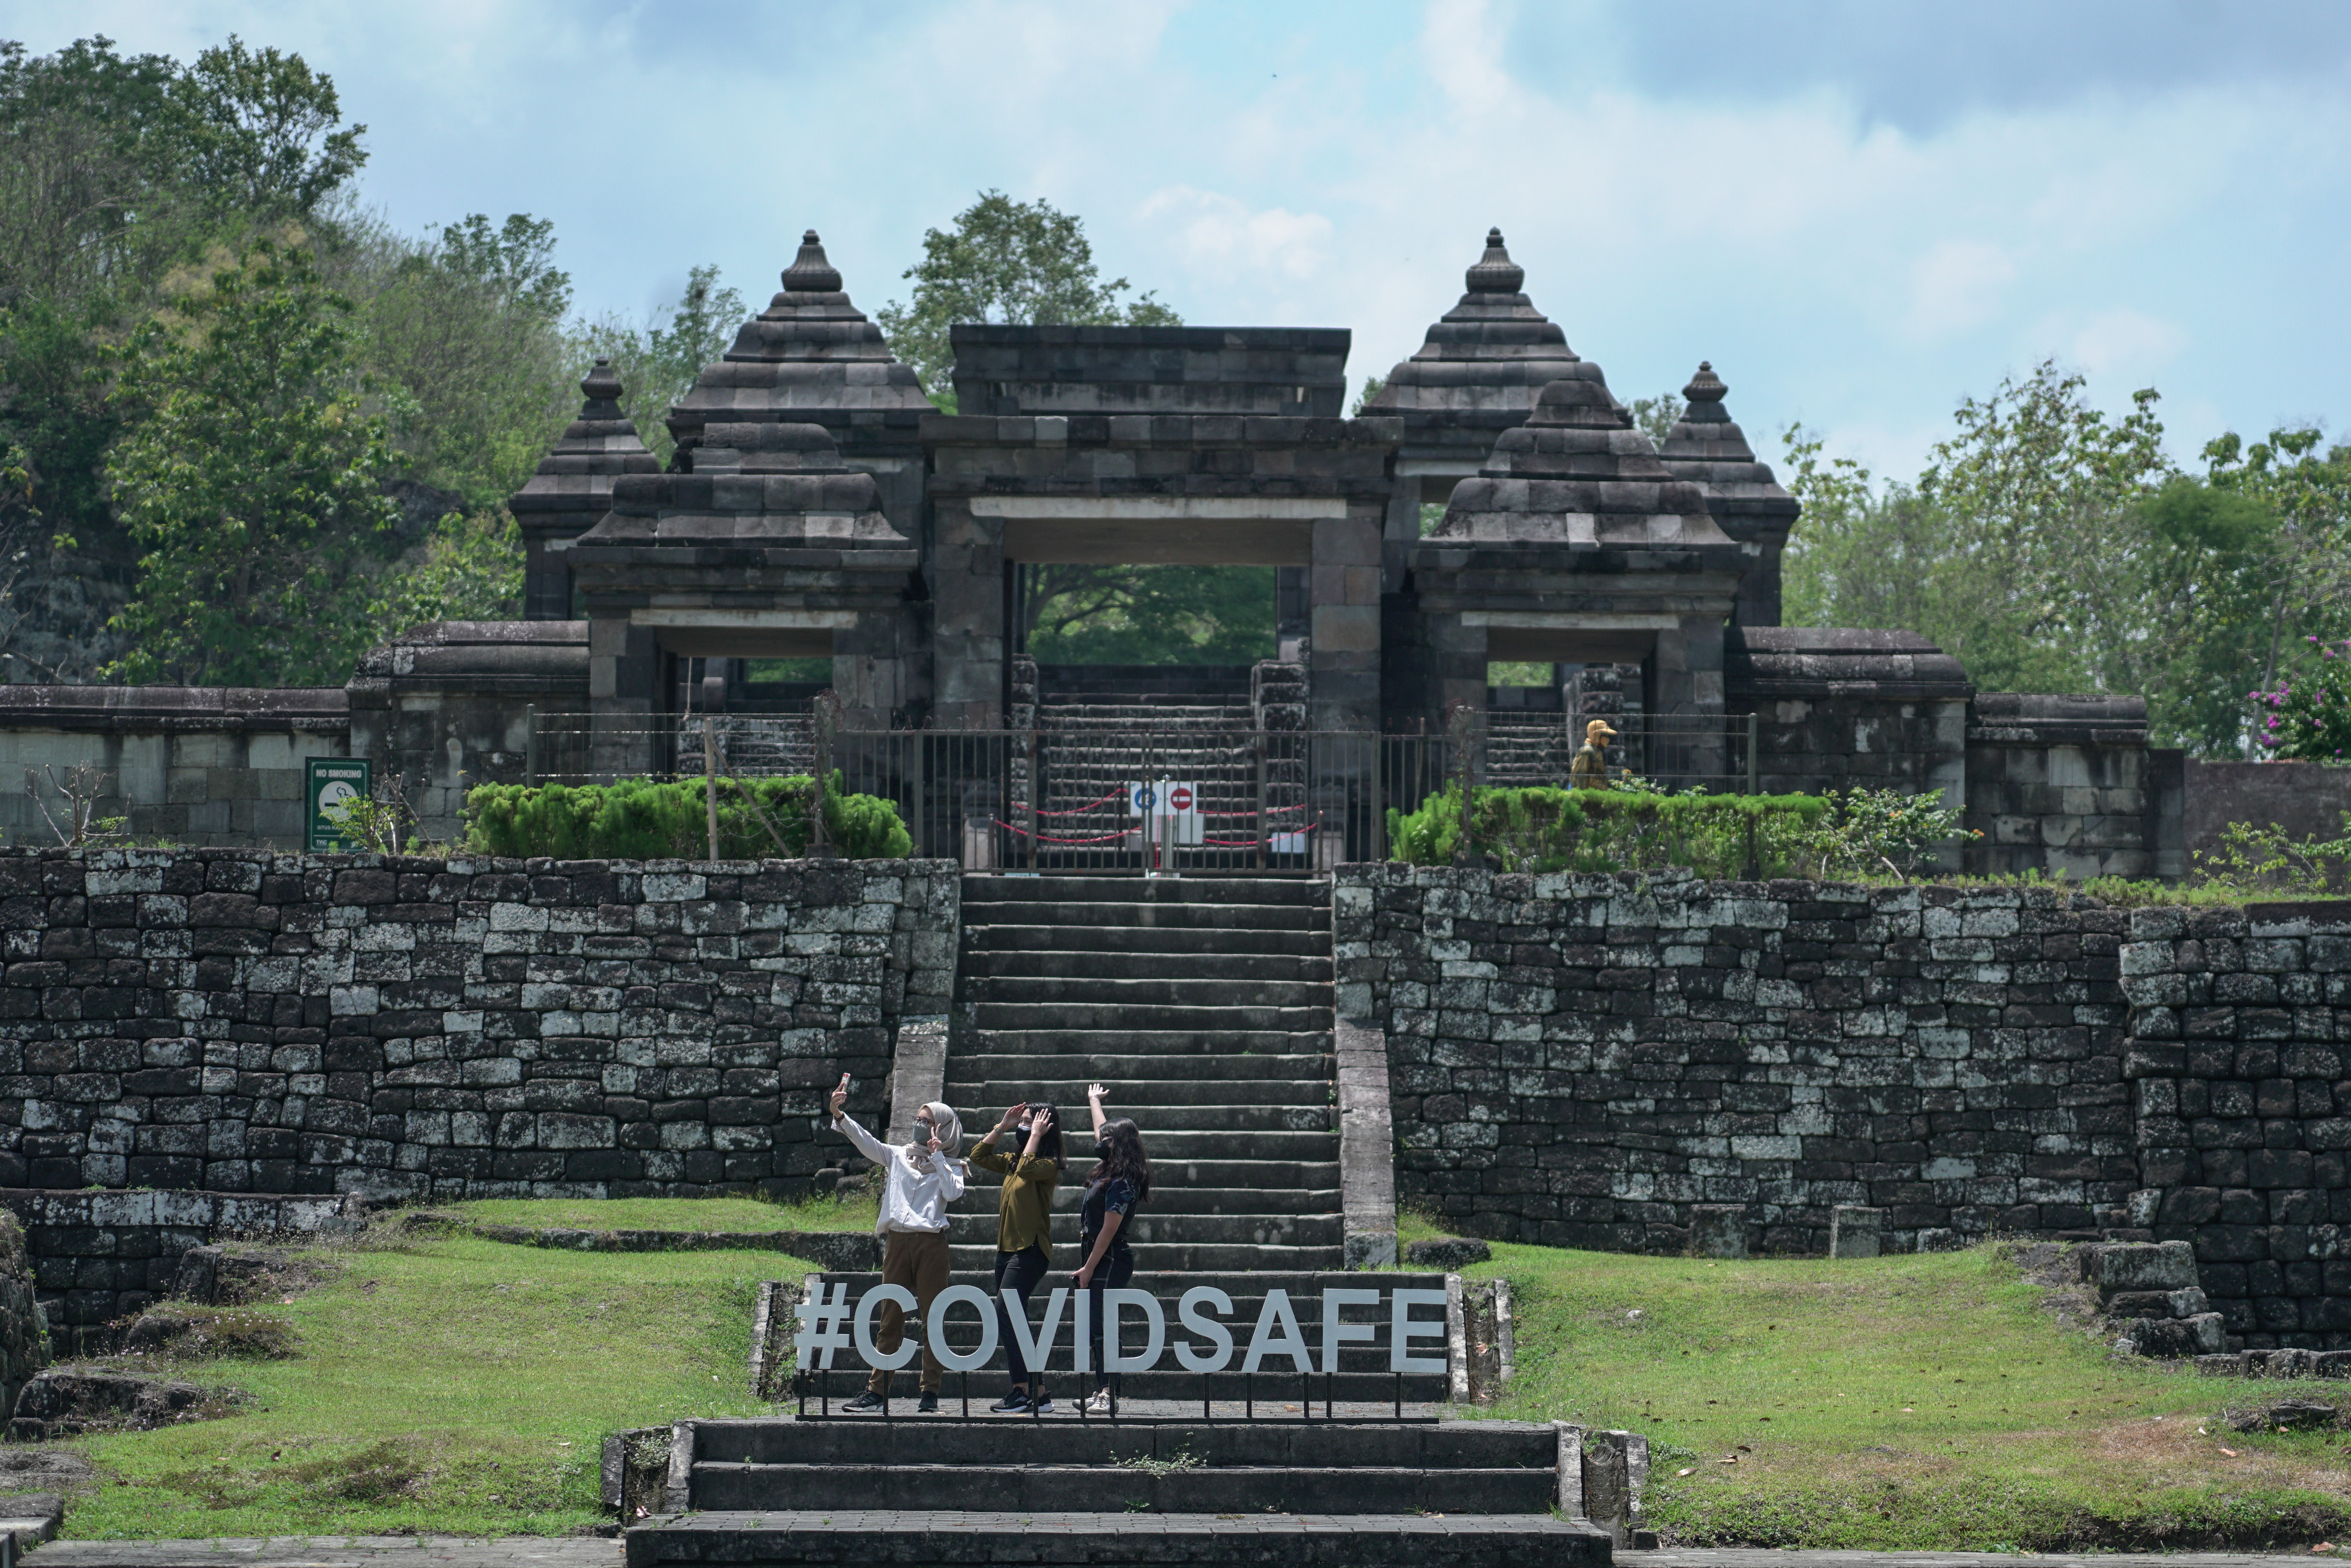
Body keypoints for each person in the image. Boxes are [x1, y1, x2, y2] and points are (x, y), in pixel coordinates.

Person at [826, 1075, 965, 1415]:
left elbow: (952, 1193)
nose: (920, 1125)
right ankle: (876, 1391)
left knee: (933, 1317)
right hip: (898, 1243)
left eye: (928, 1122)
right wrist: (839, 1115)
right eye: (918, 1120)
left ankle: (930, 1392)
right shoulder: (899, 1155)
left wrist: (939, 1159)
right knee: (891, 1316)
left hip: (932, 1245)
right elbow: (867, 1142)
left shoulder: (953, 1165)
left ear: (943, 1128)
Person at [969, 1100, 1063, 1413]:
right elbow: (977, 1156)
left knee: (1005, 1312)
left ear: (1046, 1127)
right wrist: (1003, 1126)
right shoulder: (1011, 1160)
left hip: (1031, 1250)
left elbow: (1027, 1167)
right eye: (1023, 1121)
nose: (1026, 1126)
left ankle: (1022, 1390)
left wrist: (1035, 1136)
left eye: (1031, 1122)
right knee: (1013, 1318)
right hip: (1006, 1251)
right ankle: (1039, 1393)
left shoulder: (1047, 1165)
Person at [1072, 1081, 1152, 1415]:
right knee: (1094, 1325)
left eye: (1108, 1140)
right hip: (1096, 1253)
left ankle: (1108, 1393)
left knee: (1104, 1325)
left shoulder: (1123, 1181)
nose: (1101, 1141)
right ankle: (1101, 1388)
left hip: (1109, 1256)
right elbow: (1099, 1129)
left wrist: (1090, 1267)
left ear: (1119, 1146)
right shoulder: (1112, 1170)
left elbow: (1109, 1228)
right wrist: (1093, 1101)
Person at [1569, 717, 1618, 788]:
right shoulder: (1587, 751)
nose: (1608, 739)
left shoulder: (1597, 752)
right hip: (1589, 797)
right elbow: (1579, 778)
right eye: (1605, 736)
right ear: (1597, 735)